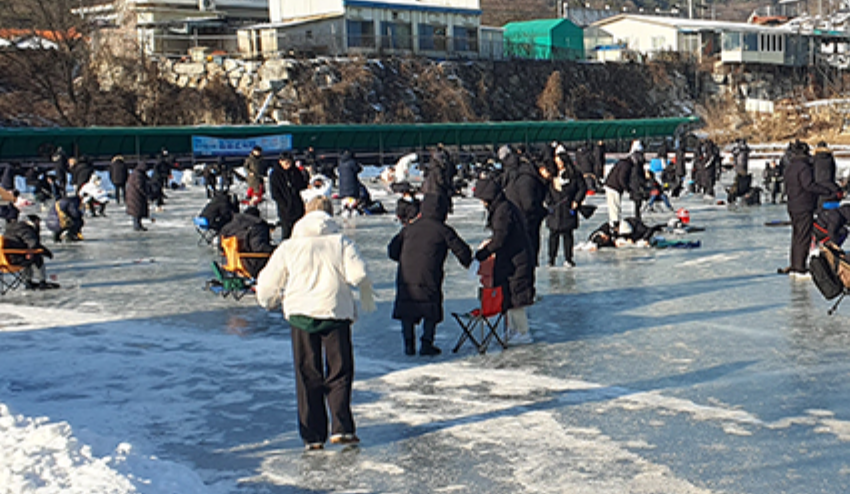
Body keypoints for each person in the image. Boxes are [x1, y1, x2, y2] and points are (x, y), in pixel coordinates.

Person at [256, 196, 375, 451]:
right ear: (330, 216)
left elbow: (267, 283)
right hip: (335, 312)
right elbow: (359, 274)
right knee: (339, 371)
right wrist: (362, 287)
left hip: (301, 314)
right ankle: (341, 427)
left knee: (307, 373)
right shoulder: (341, 242)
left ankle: (312, 434)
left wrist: (268, 301)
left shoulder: (289, 247)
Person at [388, 194, 472, 356]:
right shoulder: (442, 230)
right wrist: (471, 264)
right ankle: (427, 343)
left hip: (407, 274)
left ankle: (409, 344)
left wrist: (406, 258)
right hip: (429, 275)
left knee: (407, 306)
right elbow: (462, 250)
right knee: (430, 306)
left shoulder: (409, 229)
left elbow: (392, 251)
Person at [472, 178, 536, 343]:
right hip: (512, 258)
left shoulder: (503, 211)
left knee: (516, 298)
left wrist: (485, 252)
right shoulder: (502, 207)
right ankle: (512, 330)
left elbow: (501, 238)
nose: (482, 203)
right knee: (508, 295)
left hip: (517, 259)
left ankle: (523, 332)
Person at [779, 140, 841, 277]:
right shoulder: (804, 167)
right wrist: (826, 191)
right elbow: (809, 185)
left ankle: (796, 265)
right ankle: (800, 267)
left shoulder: (790, 166)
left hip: (792, 205)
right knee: (804, 236)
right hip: (803, 205)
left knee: (797, 236)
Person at [503, 148, 548, 265]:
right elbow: (528, 205)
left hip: (522, 221)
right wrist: (542, 211)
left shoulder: (524, 176)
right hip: (524, 222)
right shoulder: (527, 179)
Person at [544, 147, 587, 267]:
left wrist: (576, 200)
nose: (558, 165)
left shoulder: (574, 174)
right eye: (556, 163)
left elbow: (582, 188)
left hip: (568, 207)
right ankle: (551, 258)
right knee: (553, 235)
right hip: (555, 208)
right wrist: (549, 202)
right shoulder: (552, 175)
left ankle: (568, 258)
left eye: (560, 163)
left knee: (568, 234)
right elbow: (546, 191)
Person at [2, 215, 58, 289]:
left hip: (5, 260)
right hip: (16, 259)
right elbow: (33, 243)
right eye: (37, 222)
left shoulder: (10, 229)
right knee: (36, 256)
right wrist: (46, 252)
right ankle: (42, 281)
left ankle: (28, 281)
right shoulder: (25, 229)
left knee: (28, 257)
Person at [218, 206, 276, 278]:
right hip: (251, 265)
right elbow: (259, 247)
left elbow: (220, 246)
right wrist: (276, 249)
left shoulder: (228, 227)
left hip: (232, 264)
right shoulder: (258, 227)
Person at [604, 140, 644, 226]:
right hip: (613, 187)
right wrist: (627, 188)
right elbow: (621, 178)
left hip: (613, 186)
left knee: (615, 208)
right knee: (614, 208)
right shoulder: (626, 165)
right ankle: (614, 226)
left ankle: (615, 224)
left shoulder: (626, 163)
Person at [270, 152, 308, 240]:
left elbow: (301, 185)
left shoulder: (295, 171)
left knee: (299, 231)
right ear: (280, 162)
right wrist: (284, 205)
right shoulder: (275, 174)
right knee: (286, 232)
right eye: (286, 163)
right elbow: (275, 193)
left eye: (290, 163)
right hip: (285, 209)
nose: (288, 165)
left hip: (297, 206)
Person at [126, 162, 153, 232]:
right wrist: (145, 193)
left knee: (138, 210)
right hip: (135, 195)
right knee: (136, 210)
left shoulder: (137, 173)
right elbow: (139, 185)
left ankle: (138, 224)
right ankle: (136, 225)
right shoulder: (138, 175)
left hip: (134, 194)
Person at [337, 150, 363, 217]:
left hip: (342, 191)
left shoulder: (340, 163)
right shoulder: (352, 163)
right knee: (353, 208)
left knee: (345, 207)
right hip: (352, 190)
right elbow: (359, 169)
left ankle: (345, 213)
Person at [813, 141, 838, 209]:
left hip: (818, 184)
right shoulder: (830, 158)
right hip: (830, 183)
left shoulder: (815, 158)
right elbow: (833, 170)